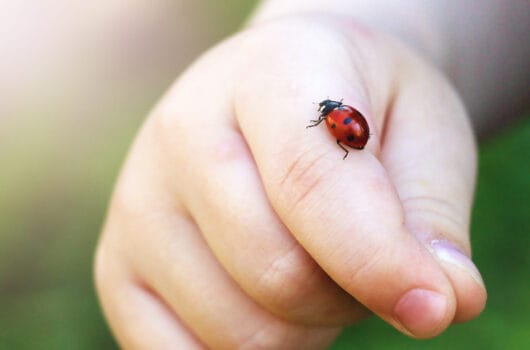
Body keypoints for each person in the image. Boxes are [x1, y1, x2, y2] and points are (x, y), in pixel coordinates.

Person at [94, 0, 530, 348]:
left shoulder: (335, 121)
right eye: (328, 114)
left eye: (326, 114)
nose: (327, 116)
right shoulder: (338, 115)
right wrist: (352, 23)